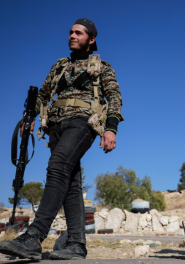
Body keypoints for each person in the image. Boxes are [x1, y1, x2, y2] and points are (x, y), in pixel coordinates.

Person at [0, 18, 123, 260]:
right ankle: (77, 244)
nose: (72, 36)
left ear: (91, 39)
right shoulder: (60, 66)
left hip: (83, 123)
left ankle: (34, 237)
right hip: (55, 126)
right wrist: (30, 116)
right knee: (71, 183)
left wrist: (111, 128)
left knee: (57, 166)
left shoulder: (101, 66)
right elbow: (43, 95)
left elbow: (115, 97)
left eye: (78, 33)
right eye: (70, 32)